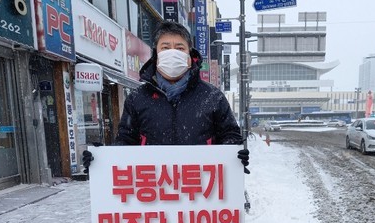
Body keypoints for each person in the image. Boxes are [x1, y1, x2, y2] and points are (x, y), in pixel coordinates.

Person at [82, 21, 249, 173]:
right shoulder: (137, 99)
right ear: (156, 55)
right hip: (154, 191)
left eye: (180, 48)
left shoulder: (212, 97)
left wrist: (234, 155)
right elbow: (125, 142)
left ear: (190, 58)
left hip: (200, 189)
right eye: (166, 48)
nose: (173, 53)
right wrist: (102, 160)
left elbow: (230, 135)